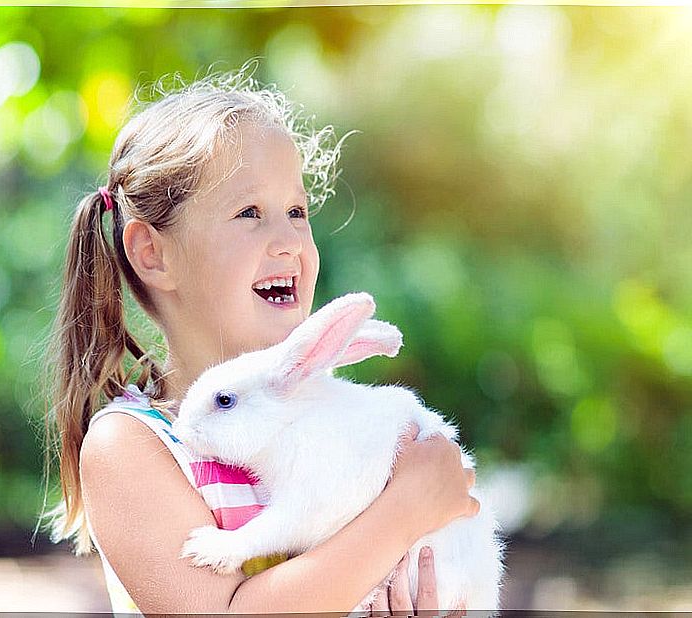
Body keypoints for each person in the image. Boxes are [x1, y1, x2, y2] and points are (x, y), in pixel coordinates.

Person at [40, 59, 480, 615]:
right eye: (250, 212)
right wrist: (405, 510)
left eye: (297, 211)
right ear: (153, 253)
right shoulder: (131, 447)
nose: (290, 241)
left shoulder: (326, 418)